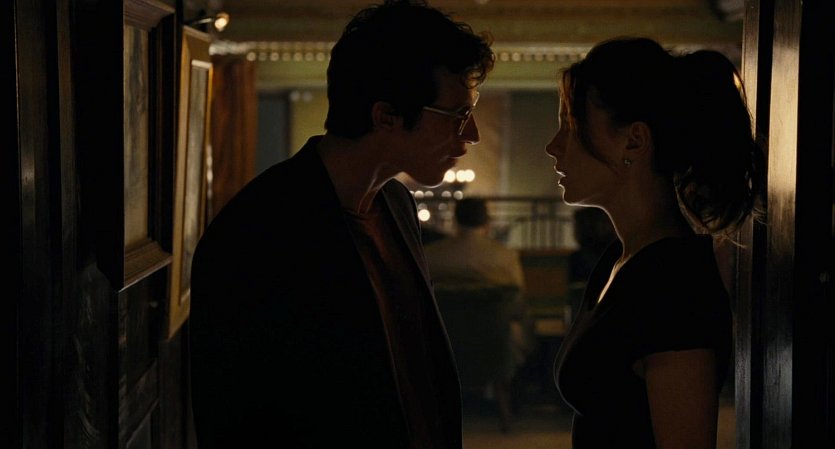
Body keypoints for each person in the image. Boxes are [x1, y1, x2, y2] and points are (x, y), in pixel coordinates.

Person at [187, 1, 494, 448]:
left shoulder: (397, 205)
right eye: (458, 116)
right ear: (385, 116)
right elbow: (234, 417)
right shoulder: (256, 232)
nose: (472, 135)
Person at [546, 37, 764, 448]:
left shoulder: (674, 285)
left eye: (570, 126)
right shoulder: (620, 259)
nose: (553, 146)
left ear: (634, 141)